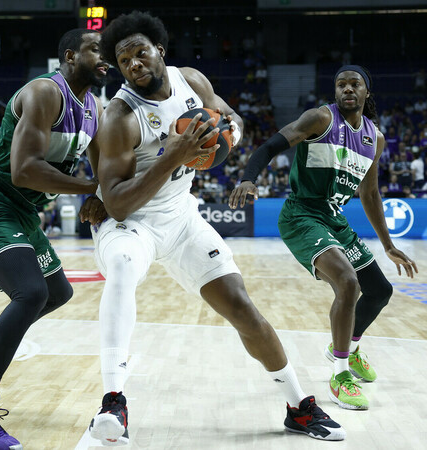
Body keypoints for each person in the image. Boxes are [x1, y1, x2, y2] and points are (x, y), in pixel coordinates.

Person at [88, 11, 345, 445]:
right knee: (122, 271)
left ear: (159, 52)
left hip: (182, 218)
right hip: (132, 225)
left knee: (242, 306)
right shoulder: (120, 116)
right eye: (123, 59)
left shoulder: (191, 80)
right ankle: (113, 400)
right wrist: (175, 154)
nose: (133, 63)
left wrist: (224, 137)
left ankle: (298, 406)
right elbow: (114, 203)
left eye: (140, 52)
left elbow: (234, 120)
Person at [0, 29, 109, 450]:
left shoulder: (94, 107)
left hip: (20, 214)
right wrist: (92, 188)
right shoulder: (44, 92)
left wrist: (107, 192)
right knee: (30, 292)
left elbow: (102, 166)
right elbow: (24, 171)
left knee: (57, 291)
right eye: (95, 50)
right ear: (70, 56)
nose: (105, 57)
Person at [229, 65, 418, 411]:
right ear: (335, 92)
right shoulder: (320, 119)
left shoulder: (374, 138)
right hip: (302, 214)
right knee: (347, 282)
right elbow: (271, 145)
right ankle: (340, 375)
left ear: (366, 92)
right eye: (341, 84)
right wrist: (248, 177)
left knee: (380, 290)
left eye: (355, 84)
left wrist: (389, 245)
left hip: (335, 220)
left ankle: (347, 346)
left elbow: (371, 193)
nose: (347, 88)